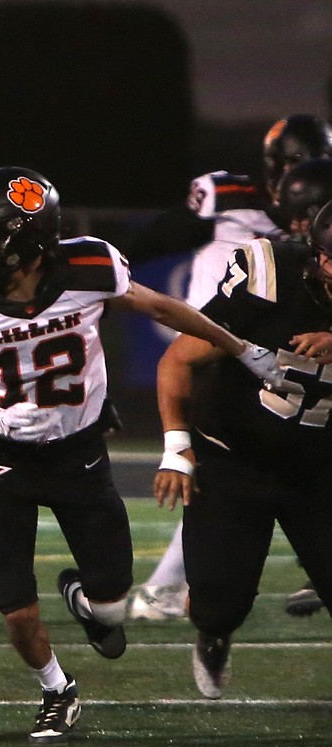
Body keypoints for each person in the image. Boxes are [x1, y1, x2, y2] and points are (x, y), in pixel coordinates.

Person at [0, 166, 286, 744]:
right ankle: (56, 690)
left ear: (30, 235)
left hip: (79, 456)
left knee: (112, 613)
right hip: (2, 461)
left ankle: (83, 594)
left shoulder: (91, 265)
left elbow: (164, 309)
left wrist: (240, 348)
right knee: (16, 611)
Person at [130, 113, 332, 621]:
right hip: (229, 343)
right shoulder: (237, 205)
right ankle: (174, 589)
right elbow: (158, 237)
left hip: (285, 354)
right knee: (228, 464)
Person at [153, 198, 332, 699]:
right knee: (217, 606)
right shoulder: (269, 280)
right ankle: (214, 635)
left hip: (321, 469)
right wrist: (176, 447)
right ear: (315, 255)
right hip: (236, 458)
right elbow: (179, 359)